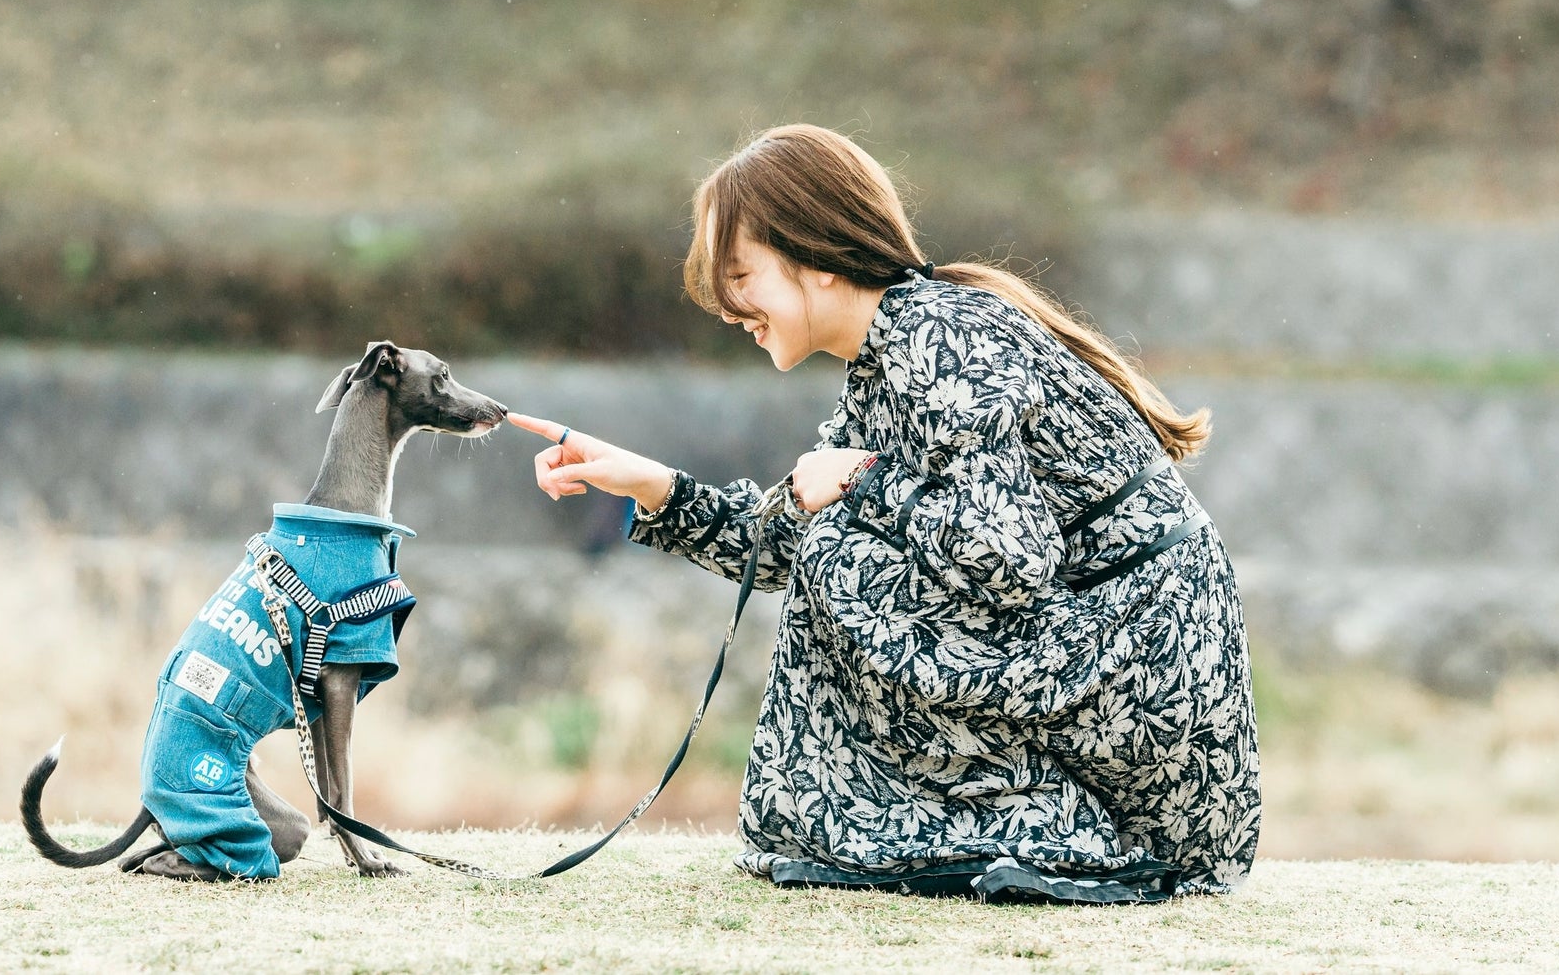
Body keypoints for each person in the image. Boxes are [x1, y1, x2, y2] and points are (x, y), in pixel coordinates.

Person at [507, 124, 1260, 903]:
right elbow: (785, 547)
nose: (730, 309)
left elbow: (1009, 555)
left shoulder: (941, 335)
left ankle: (1021, 826)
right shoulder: (888, 358)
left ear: (817, 259)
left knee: (847, 547)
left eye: (742, 275)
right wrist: (651, 485)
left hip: (1156, 713)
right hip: (1124, 696)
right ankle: (979, 825)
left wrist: (864, 477)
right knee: (838, 541)